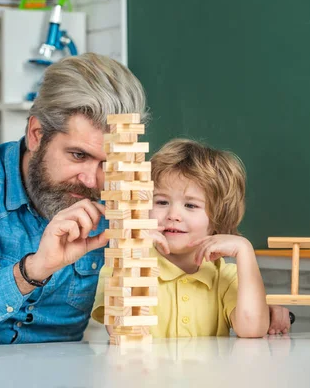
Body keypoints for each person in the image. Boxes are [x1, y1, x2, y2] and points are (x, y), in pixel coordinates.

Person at [0, 53, 146, 348]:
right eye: (78, 155)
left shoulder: (122, 200)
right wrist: (32, 270)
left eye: (106, 164)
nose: (90, 180)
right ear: (36, 134)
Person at [92, 139, 291, 338]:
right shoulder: (121, 265)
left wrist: (245, 251)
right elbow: (122, 332)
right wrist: (135, 253)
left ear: (217, 219)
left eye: (191, 205)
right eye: (161, 202)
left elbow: (252, 329)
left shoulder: (226, 276)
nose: (173, 215)